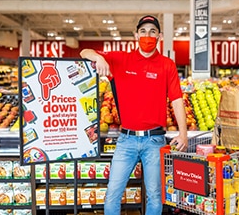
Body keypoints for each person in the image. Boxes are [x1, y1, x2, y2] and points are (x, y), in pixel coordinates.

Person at [80, 15, 188, 215]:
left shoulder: (167, 65)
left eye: (152, 32)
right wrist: (98, 57)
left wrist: (183, 134)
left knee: (155, 195)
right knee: (112, 193)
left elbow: (176, 99)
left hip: (155, 140)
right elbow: (84, 51)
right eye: (144, 31)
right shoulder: (120, 60)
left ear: (160, 36)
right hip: (126, 140)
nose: (148, 36)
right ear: (136, 35)